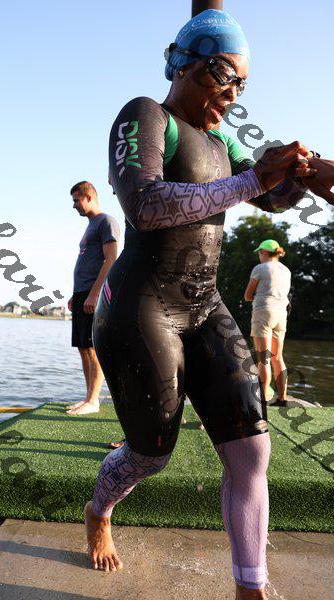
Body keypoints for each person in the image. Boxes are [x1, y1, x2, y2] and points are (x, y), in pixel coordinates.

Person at [84, 8, 333, 599]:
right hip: (141, 309)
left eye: (243, 83)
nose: (234, 93)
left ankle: (251, 587)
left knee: (251, 450)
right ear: (183, 63)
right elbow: (144, 204)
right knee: (151, 455)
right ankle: (99, 510)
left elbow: (270, 198)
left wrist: (306, 177)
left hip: (203, 305)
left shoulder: (223, 141)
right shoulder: (146, 114)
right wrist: (254, 181)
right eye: (225, 75)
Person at [66, 181, 119, 415]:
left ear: (89, 197)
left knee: (92, 347)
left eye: (76, 200)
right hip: (82, 293)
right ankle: (87, 397)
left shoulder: (106, 221)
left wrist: (94, 294)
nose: (74, 205)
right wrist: (76, 294)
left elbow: (111, 259)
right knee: (83, 347)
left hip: (93, 294)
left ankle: (93, 401)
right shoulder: (91, 226)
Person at [244, 240, 291, 407]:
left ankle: (262, 400)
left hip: (264, 312)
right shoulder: (286, 270)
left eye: (259, 252)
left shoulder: (260, 268)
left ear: (264, 252)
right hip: (281, 314)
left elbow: (247, 295)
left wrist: (255, 297)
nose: (259, 255)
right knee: (277, 357)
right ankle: (282, 398)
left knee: (264, 358)